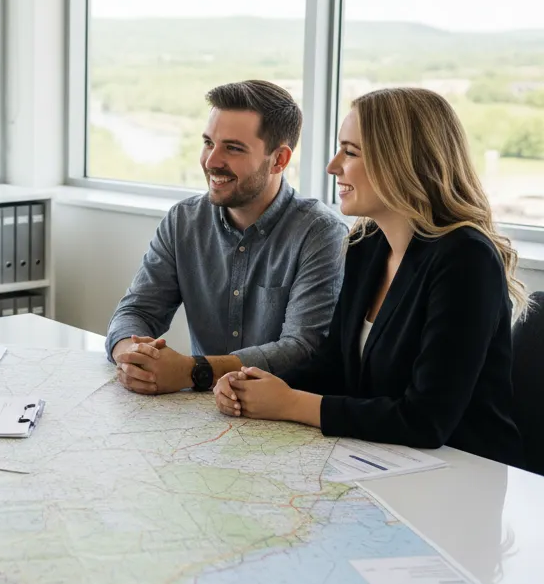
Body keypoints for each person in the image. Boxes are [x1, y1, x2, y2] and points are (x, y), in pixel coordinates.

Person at [213, 86, 524, 470]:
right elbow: (333, 367)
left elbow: (426, 420)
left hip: (466, 474)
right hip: (387, 463)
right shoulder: (368, 244)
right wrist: (251, 384)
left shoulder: (467, 259)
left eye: (350, 152)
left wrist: (291, 403)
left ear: (400, 161)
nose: (333, 166)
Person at [107, 80, 347, 395]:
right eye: (209, 143)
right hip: (203, 411)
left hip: (283, 416)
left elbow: (302, 348)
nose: (211, 161)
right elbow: (137, 311)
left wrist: (193, 371)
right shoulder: (183, 221)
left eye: (233, 148)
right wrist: (132, 356)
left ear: (279, 159)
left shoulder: (321, 233)